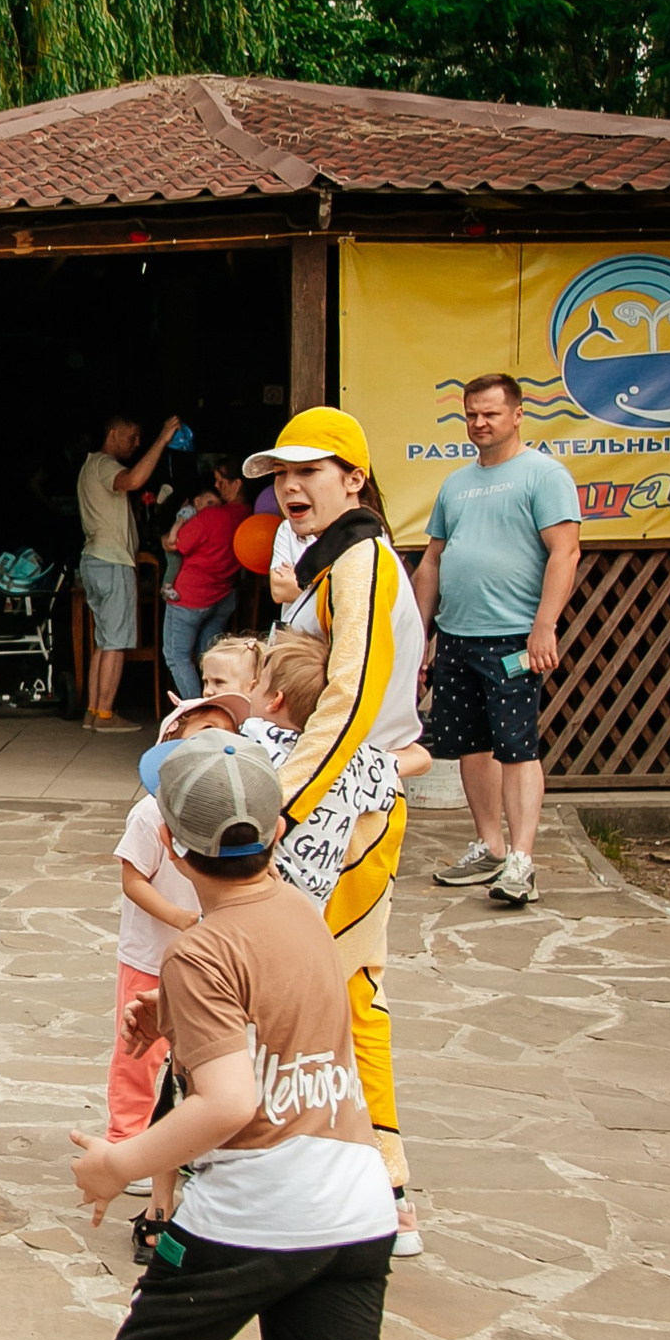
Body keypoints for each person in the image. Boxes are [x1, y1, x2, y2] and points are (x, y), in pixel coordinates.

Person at [70, 733, 455, 1340]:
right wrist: (167, 1015)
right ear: (278, 831)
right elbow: (269, 1001)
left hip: (256, 1210)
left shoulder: (202, 949)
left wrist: (118, 1162)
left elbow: (229, 1101)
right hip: (354, 1206)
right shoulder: (301, 916)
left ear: (170, 844)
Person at [243, 408, 428, 1257]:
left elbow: (352, 701)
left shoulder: (361, 560)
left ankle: (385, 1188)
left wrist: (276, 806)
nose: (289, 486)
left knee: (348, 995)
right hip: (333, 804)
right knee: (315, 993)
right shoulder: (332, 564)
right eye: (281, 474)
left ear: (354, 479)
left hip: (341, 813)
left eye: (309, 471)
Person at [413, 374, 583, 908]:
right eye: (471, 414)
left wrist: (544, 626)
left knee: (516, 746)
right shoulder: (455, 484)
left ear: (516, 414)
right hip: (457, 638)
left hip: (513, 638)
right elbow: (433, 560)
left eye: (490, 413)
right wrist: (421, 636)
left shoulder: (544, 475)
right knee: (469, 745)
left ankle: (521, 860)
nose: (480, 423)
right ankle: (488, 845)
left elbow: (566, 552)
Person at [111, 692, 247, 1253]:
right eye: (199, 733)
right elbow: (132, 878)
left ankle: (188, 1144)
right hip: (151, 955)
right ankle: (127, 1140)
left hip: (207, 961)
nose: (212, 745)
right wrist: (182, 919)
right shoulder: (149, 812)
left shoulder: (227, 814)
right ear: (169, 747)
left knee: (196, 1057)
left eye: (225, 734)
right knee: (138, 1054)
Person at [249, 631, 422, 907]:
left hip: (252, 895)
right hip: (310, 914)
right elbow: (421, 758)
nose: (250, 691)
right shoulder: (352, 761)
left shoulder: (254, 736)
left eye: (256, 687)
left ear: (275, 700)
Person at [77, 413, 180, 733]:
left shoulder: (89, 466)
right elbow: (134, 480)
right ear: (113, 433)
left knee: (105, 642)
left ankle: (94, 712)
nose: (137, 443)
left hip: (95, 559)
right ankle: (106, 714)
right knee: (117, 642)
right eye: (133, 436)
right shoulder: (106, 465)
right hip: (111, 562)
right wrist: (162, 438)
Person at [161, 458, 249, 700]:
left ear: (237, 484)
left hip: (190, 598)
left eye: (222, 482)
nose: (217, 486)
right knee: (209, 658)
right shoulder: (247, 517)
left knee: (176, 655)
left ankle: (197, 711)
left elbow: (174, 543)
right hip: (223, 596)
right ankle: (216, 708)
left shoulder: (213, 516)